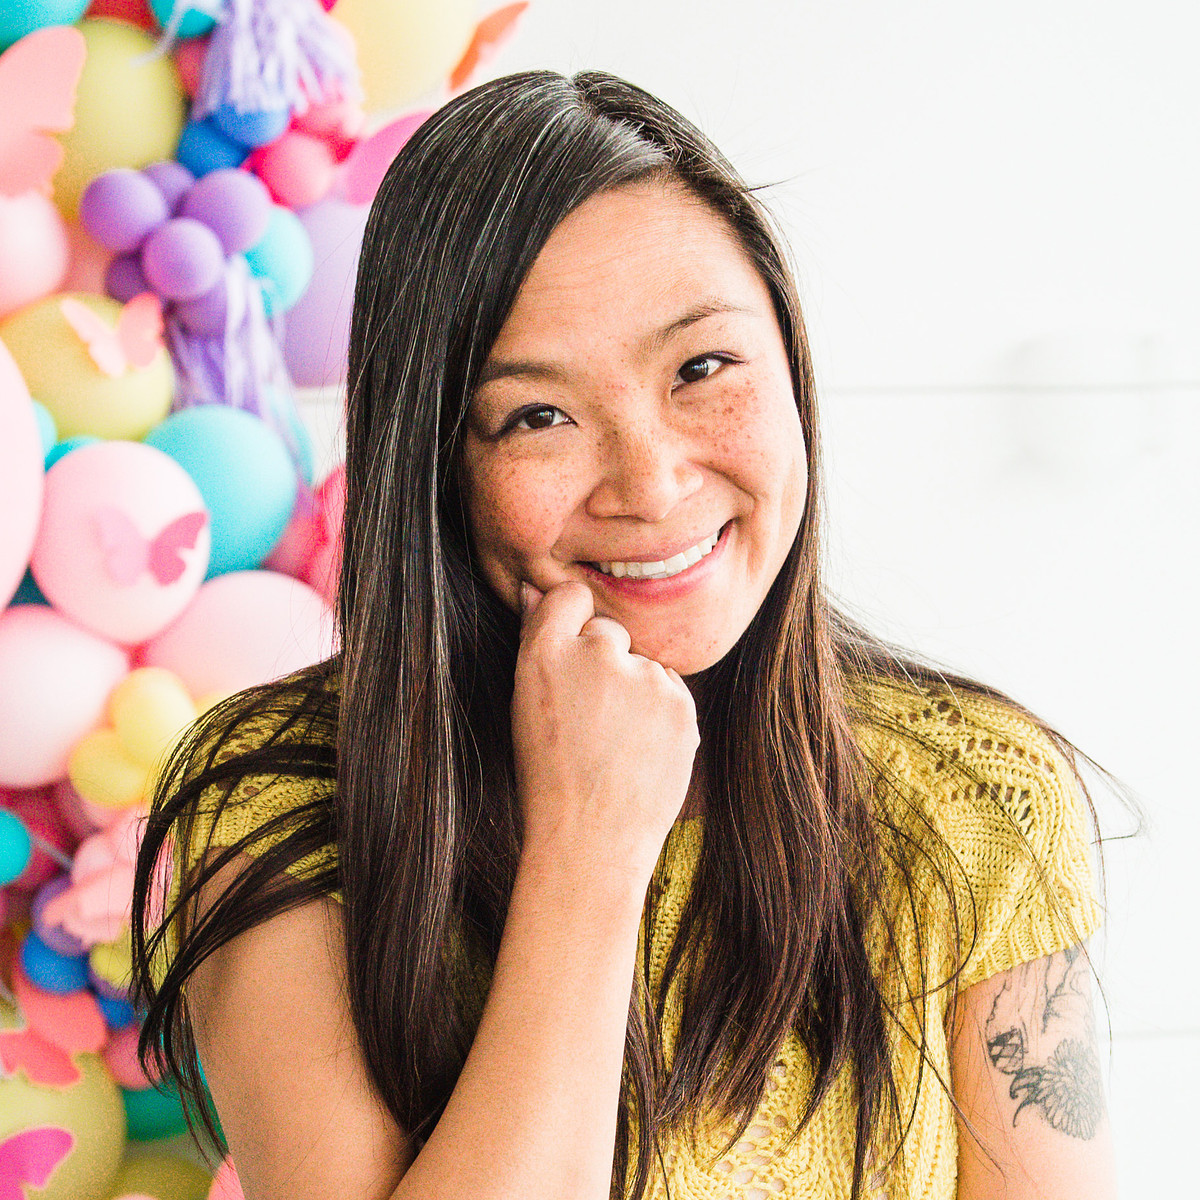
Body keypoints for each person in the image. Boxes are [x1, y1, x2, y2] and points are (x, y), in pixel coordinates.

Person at [130, 70, 1117, 1200]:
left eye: (703, 367)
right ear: (440, 467)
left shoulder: (975, 792)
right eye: (538, 416)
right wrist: (588, 850)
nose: (650, 484)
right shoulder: (281, 801)